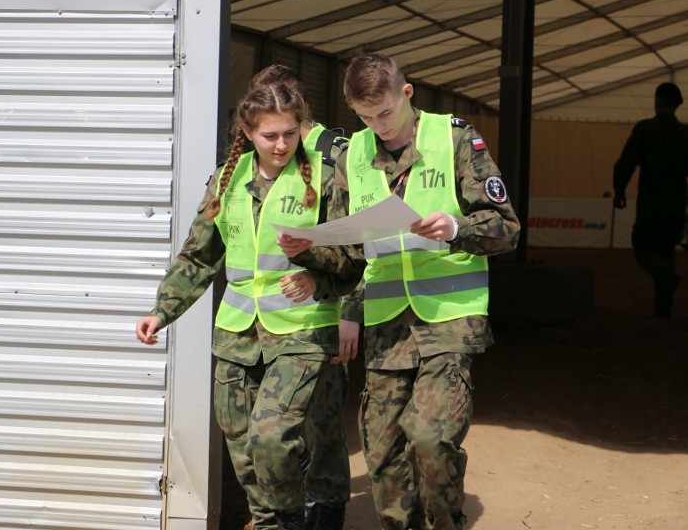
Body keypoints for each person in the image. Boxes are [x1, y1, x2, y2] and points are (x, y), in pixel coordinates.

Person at [282, 52, 520, 529]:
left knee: (431, 440)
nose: (379, 125)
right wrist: (311, 255)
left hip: (448, 319)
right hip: (386, 327)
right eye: (366, 117)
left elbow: (506, 228)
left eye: (385, 112)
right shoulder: (354, 156)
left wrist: (455, 227)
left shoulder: (454, 138)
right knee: (383, 454)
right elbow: (350, 255)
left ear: (406, 93)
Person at [136, 80, 363, 530]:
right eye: (270, 135)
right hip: (237, 335)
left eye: (290, 133)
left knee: (271, 438)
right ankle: (269, 522)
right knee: (242, 449)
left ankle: (292, 518)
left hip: (301, 333)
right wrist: (161, 310)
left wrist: (314, 269)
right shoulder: (227, 179)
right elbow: (198, 256)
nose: (281, 145)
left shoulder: (324, 176)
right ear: (247, 130)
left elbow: (354, 257)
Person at [246, 64, 355, 530]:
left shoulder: (337, 153)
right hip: (267, 327)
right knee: (282, 430)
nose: (279, 140)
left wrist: (352, 310)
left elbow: (363, 238)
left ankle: (324, 513)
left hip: (324, 316)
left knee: (324, 425)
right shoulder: (252, 163)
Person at [613, 81, 688, 318]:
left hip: (651, 200)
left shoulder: (645, 129)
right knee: (667, 249)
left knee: (643, 248)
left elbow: (625, 163)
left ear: (656, 102)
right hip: (677, 202)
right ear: (677, 105)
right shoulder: (686, 133)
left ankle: (665, 276)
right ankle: (663, 307)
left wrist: (620, 191)